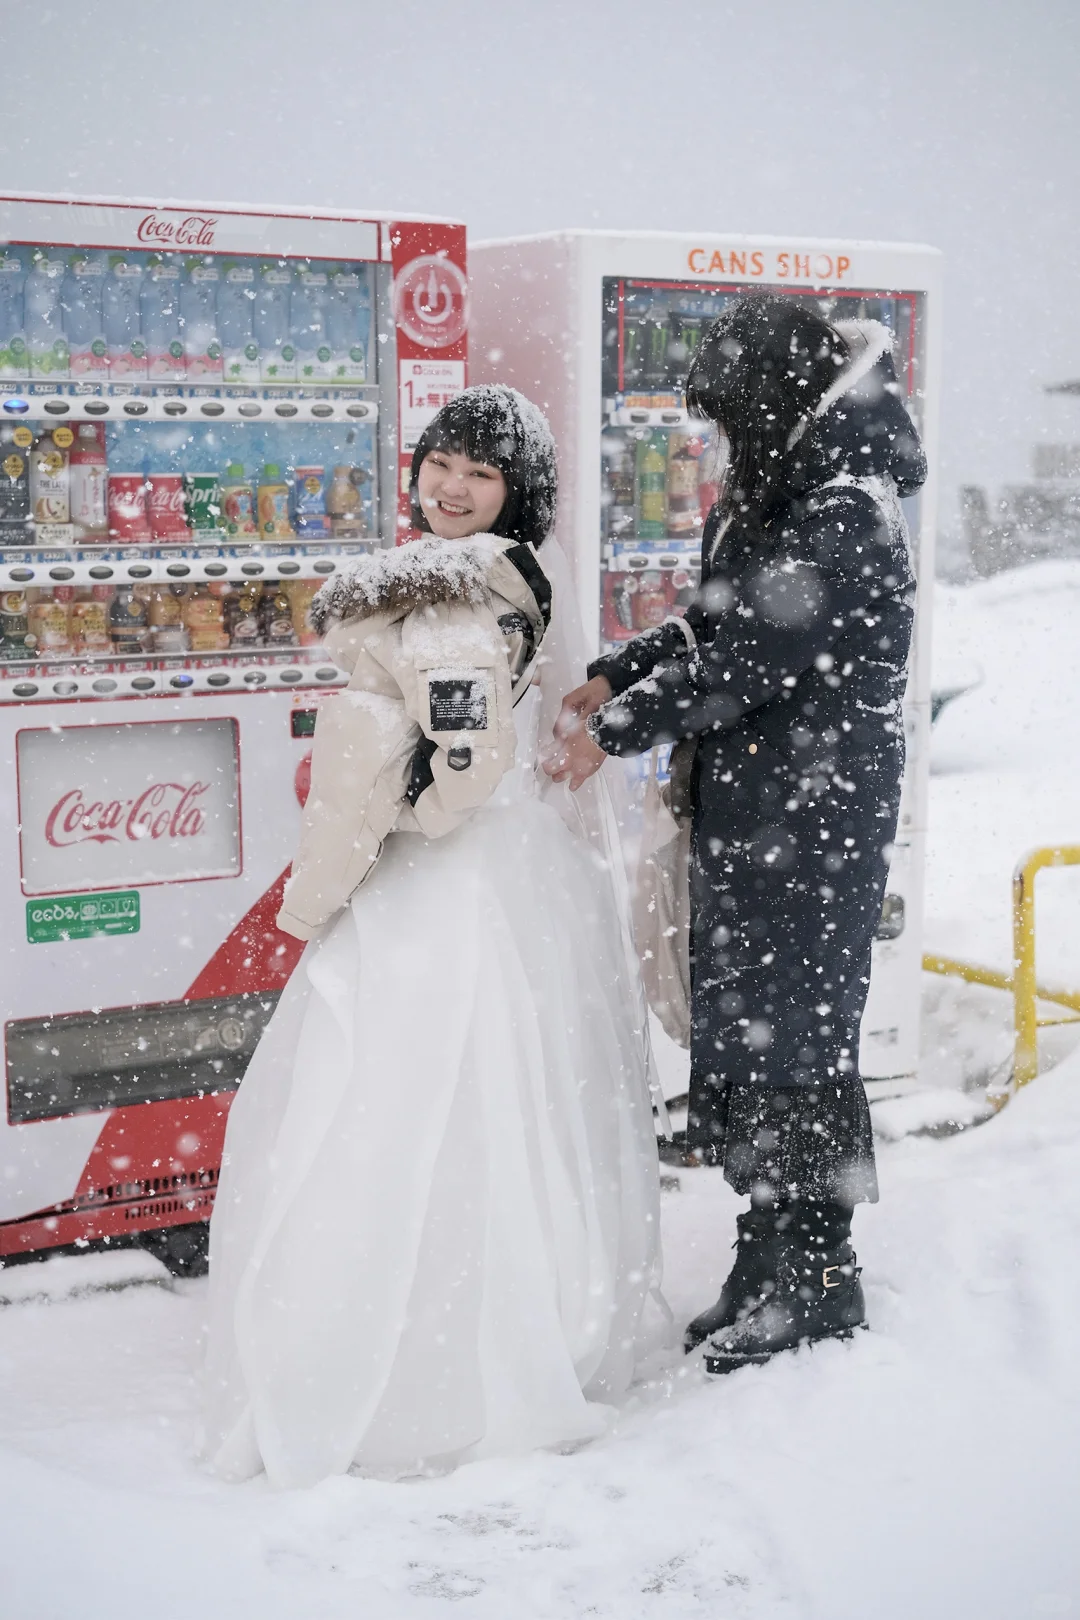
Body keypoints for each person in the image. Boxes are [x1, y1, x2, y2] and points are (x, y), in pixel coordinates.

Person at [201, 385, 663, 1487]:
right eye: (441, 464)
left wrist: (397, 818)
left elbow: (464, 760)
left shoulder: (459, 591)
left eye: (481, 474)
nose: (451, 487)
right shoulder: (491, 573)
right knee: (500, 1099)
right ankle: (504, 1331)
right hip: (507, 877)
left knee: (396, 1097)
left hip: (444, 878)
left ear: (518, 492)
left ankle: (402, 1368)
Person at [547, 294, 926, 1372]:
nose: (721, 437)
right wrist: (622, 665)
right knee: (754, 1040)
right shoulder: (790, 483)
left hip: (814, 825)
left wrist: (615, 731)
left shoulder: (843, 505)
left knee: (796, 1044)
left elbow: (752, 656)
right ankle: (765, 1258)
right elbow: (718, 613)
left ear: (778, 399)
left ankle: (818, 1277)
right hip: (762, 816)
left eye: (730, 414)